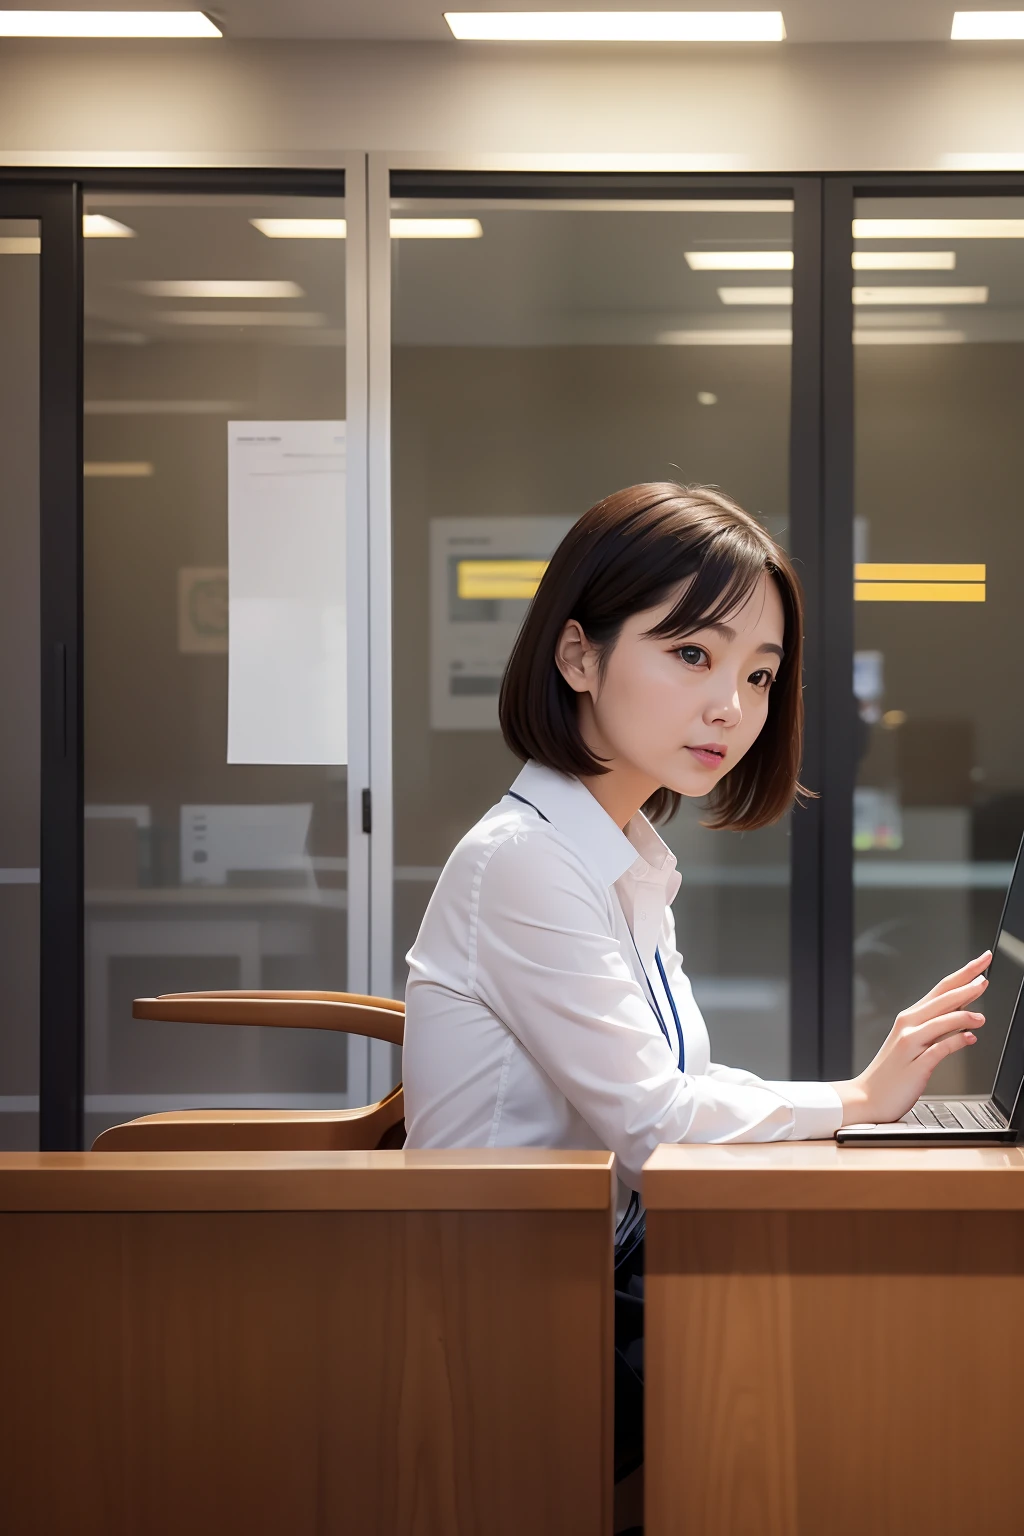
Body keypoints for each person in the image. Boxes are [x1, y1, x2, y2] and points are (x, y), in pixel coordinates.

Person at [401, 482, 989, 1530]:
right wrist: (854, 1102)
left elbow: (671, 1091)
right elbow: (655, 1123)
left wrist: (858, 1096)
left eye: (758, 675)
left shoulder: (620, 855)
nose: (732, 705)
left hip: (596, 1266)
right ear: (576, 657)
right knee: (859, 1346)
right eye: (692, 655)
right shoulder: (527, 862)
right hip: (511, 1312)